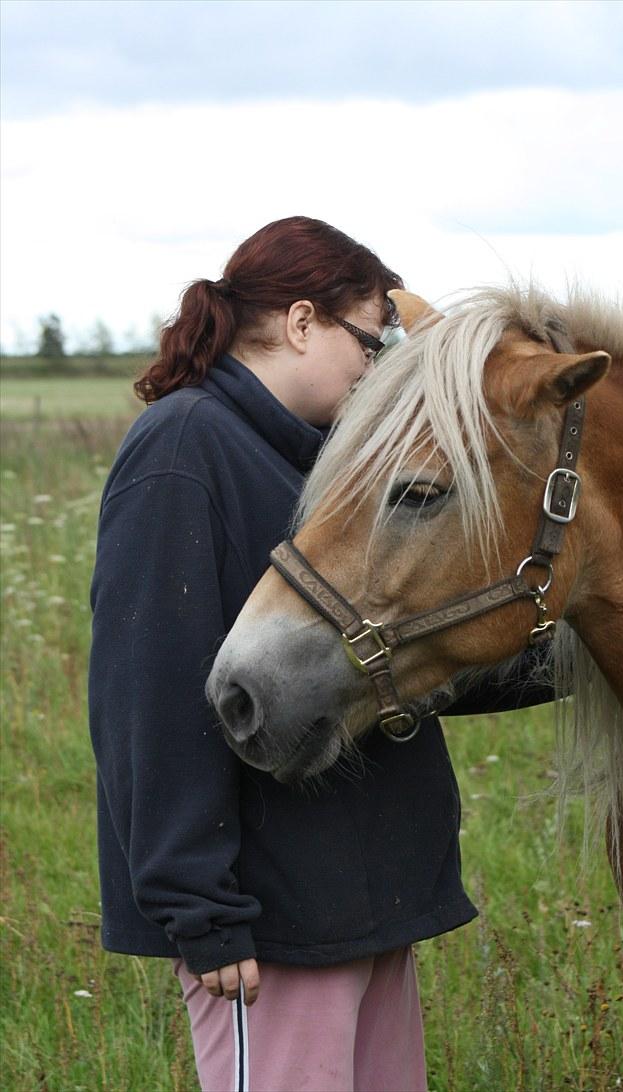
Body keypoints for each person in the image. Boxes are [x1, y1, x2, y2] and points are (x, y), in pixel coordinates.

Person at [88, 216, 552, 1092]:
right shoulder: (185, 447)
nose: (380, 370)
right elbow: (144, 692)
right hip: (268, 924)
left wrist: (574, 654)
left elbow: (382, 648)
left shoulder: (327, 461)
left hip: (362, 903)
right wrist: (203, 909)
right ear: (302, 322)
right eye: (374, 343)